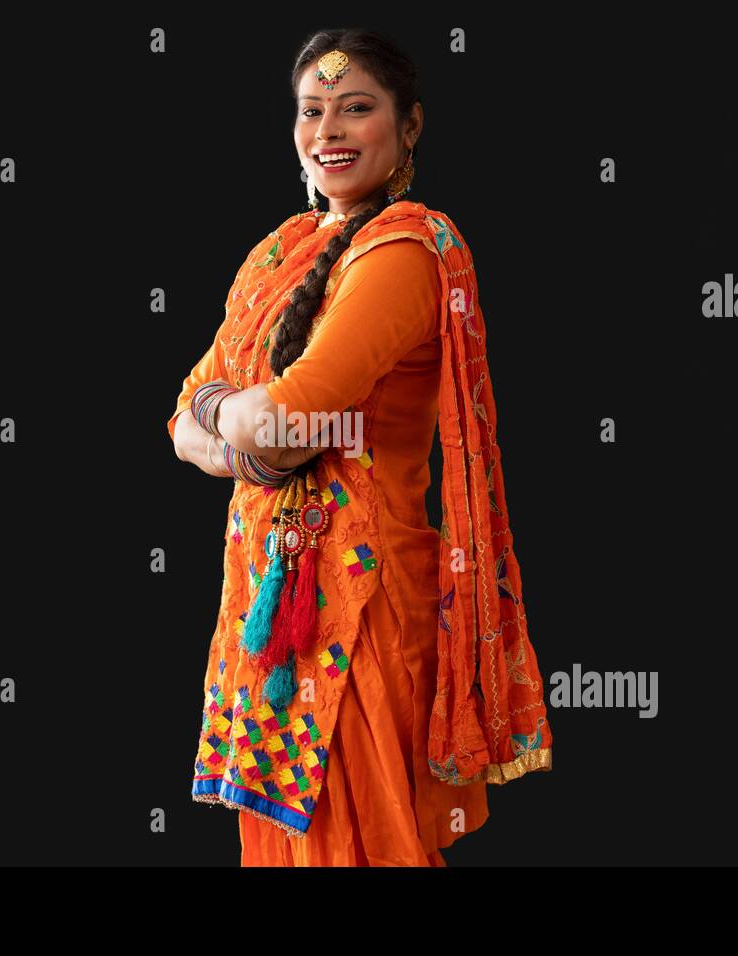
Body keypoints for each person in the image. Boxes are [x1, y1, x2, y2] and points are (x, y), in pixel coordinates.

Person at [167, 29, 552, 867]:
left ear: (408, 127)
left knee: (366, 841)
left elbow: (288, 411)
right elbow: (182, 425)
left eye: (356, 108)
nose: (328, 131)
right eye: (312, 111)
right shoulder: (281, 253)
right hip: (270, 604)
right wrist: (258, 448)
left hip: (362, 603)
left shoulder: (407, 252)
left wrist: (236, 420)